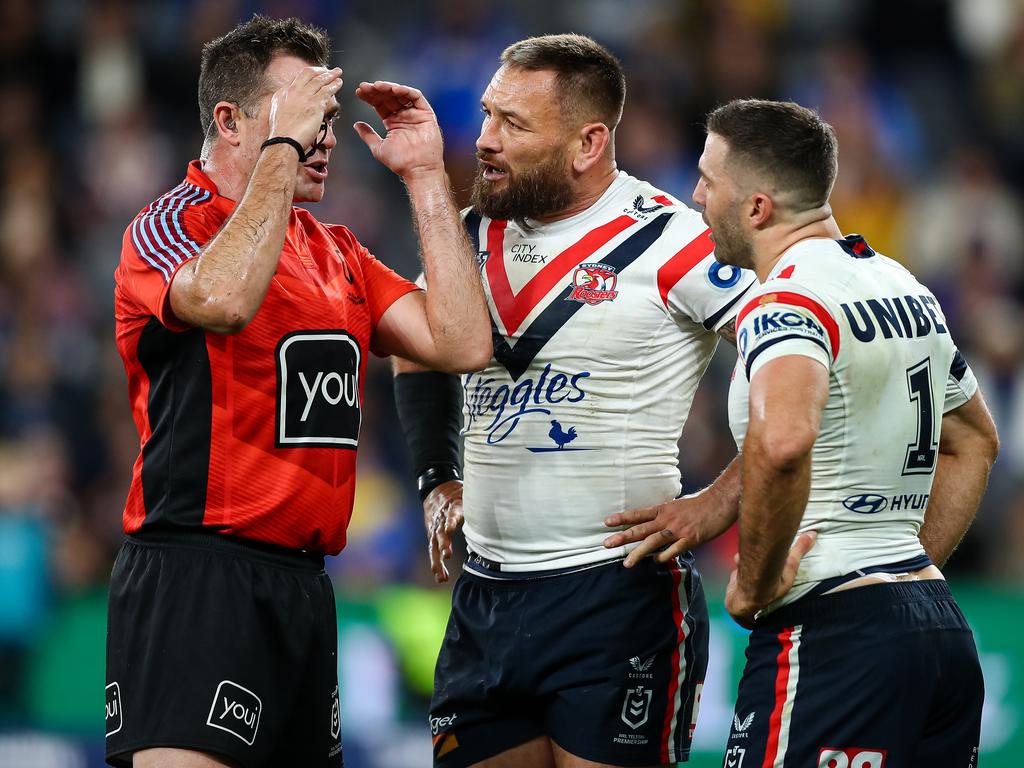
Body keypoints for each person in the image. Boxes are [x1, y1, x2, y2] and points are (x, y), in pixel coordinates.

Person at [106, 15, 490, 768]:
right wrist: (283, 150)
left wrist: (424, 177)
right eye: (305, 112)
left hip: (305, 592)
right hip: (195, 576)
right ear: (230, 120)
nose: (326, 134)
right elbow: (221, 300)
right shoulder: (168, 226)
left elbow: (462, 343)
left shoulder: (336, 252)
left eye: (327, 117)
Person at [393, 34, 755, 768]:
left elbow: (810, 361)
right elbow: (414, 344)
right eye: (489, 115)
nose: (485, 140)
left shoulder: (673, 242)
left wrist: (722, 499)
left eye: (513, 125)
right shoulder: (469, 233)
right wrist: (437, 475)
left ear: (589, 142)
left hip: (617, 599)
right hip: (485, 595)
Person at [614, 98, 999, 767]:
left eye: (709, 180)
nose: (696, 195)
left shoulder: (784, 301)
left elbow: (784, 442)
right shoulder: (900, 283)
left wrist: (755, 584)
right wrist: (902, 570)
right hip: (935, 628)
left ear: (758, 208)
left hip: (831, 638)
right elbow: (974, 440)